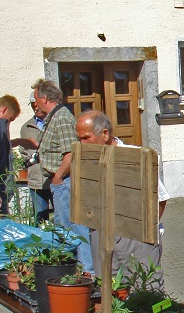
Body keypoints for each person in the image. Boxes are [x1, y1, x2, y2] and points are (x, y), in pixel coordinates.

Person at [77, 111, 169, 289]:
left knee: (148, 289)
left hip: (136, 238)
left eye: (86, 138)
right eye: (79, 138)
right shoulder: (86, 160)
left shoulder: (136, 157)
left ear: (105, 134)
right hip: (102, 234)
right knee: (109, 291)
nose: (82, 143)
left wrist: (146, 232)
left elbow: (161, 199)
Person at [33, 79, 93, 274]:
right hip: (60, 181)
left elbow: (70, 153)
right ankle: (74, 270)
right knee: (64, 228)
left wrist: (58, 177)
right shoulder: (54, 116)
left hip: (65, 181)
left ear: (44, 98)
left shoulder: (62, 117)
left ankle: (87, 272)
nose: (35, 103)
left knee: (74, 228)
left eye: (36, 98)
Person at [20, 92, 53, 223]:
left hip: (54, 178)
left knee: (62, 217)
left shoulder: (54, 122)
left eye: (37, 105)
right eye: (33, 106)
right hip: (36, 179)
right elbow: (23, 151)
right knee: (40, 219)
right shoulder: (26, 127)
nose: (36, 108)